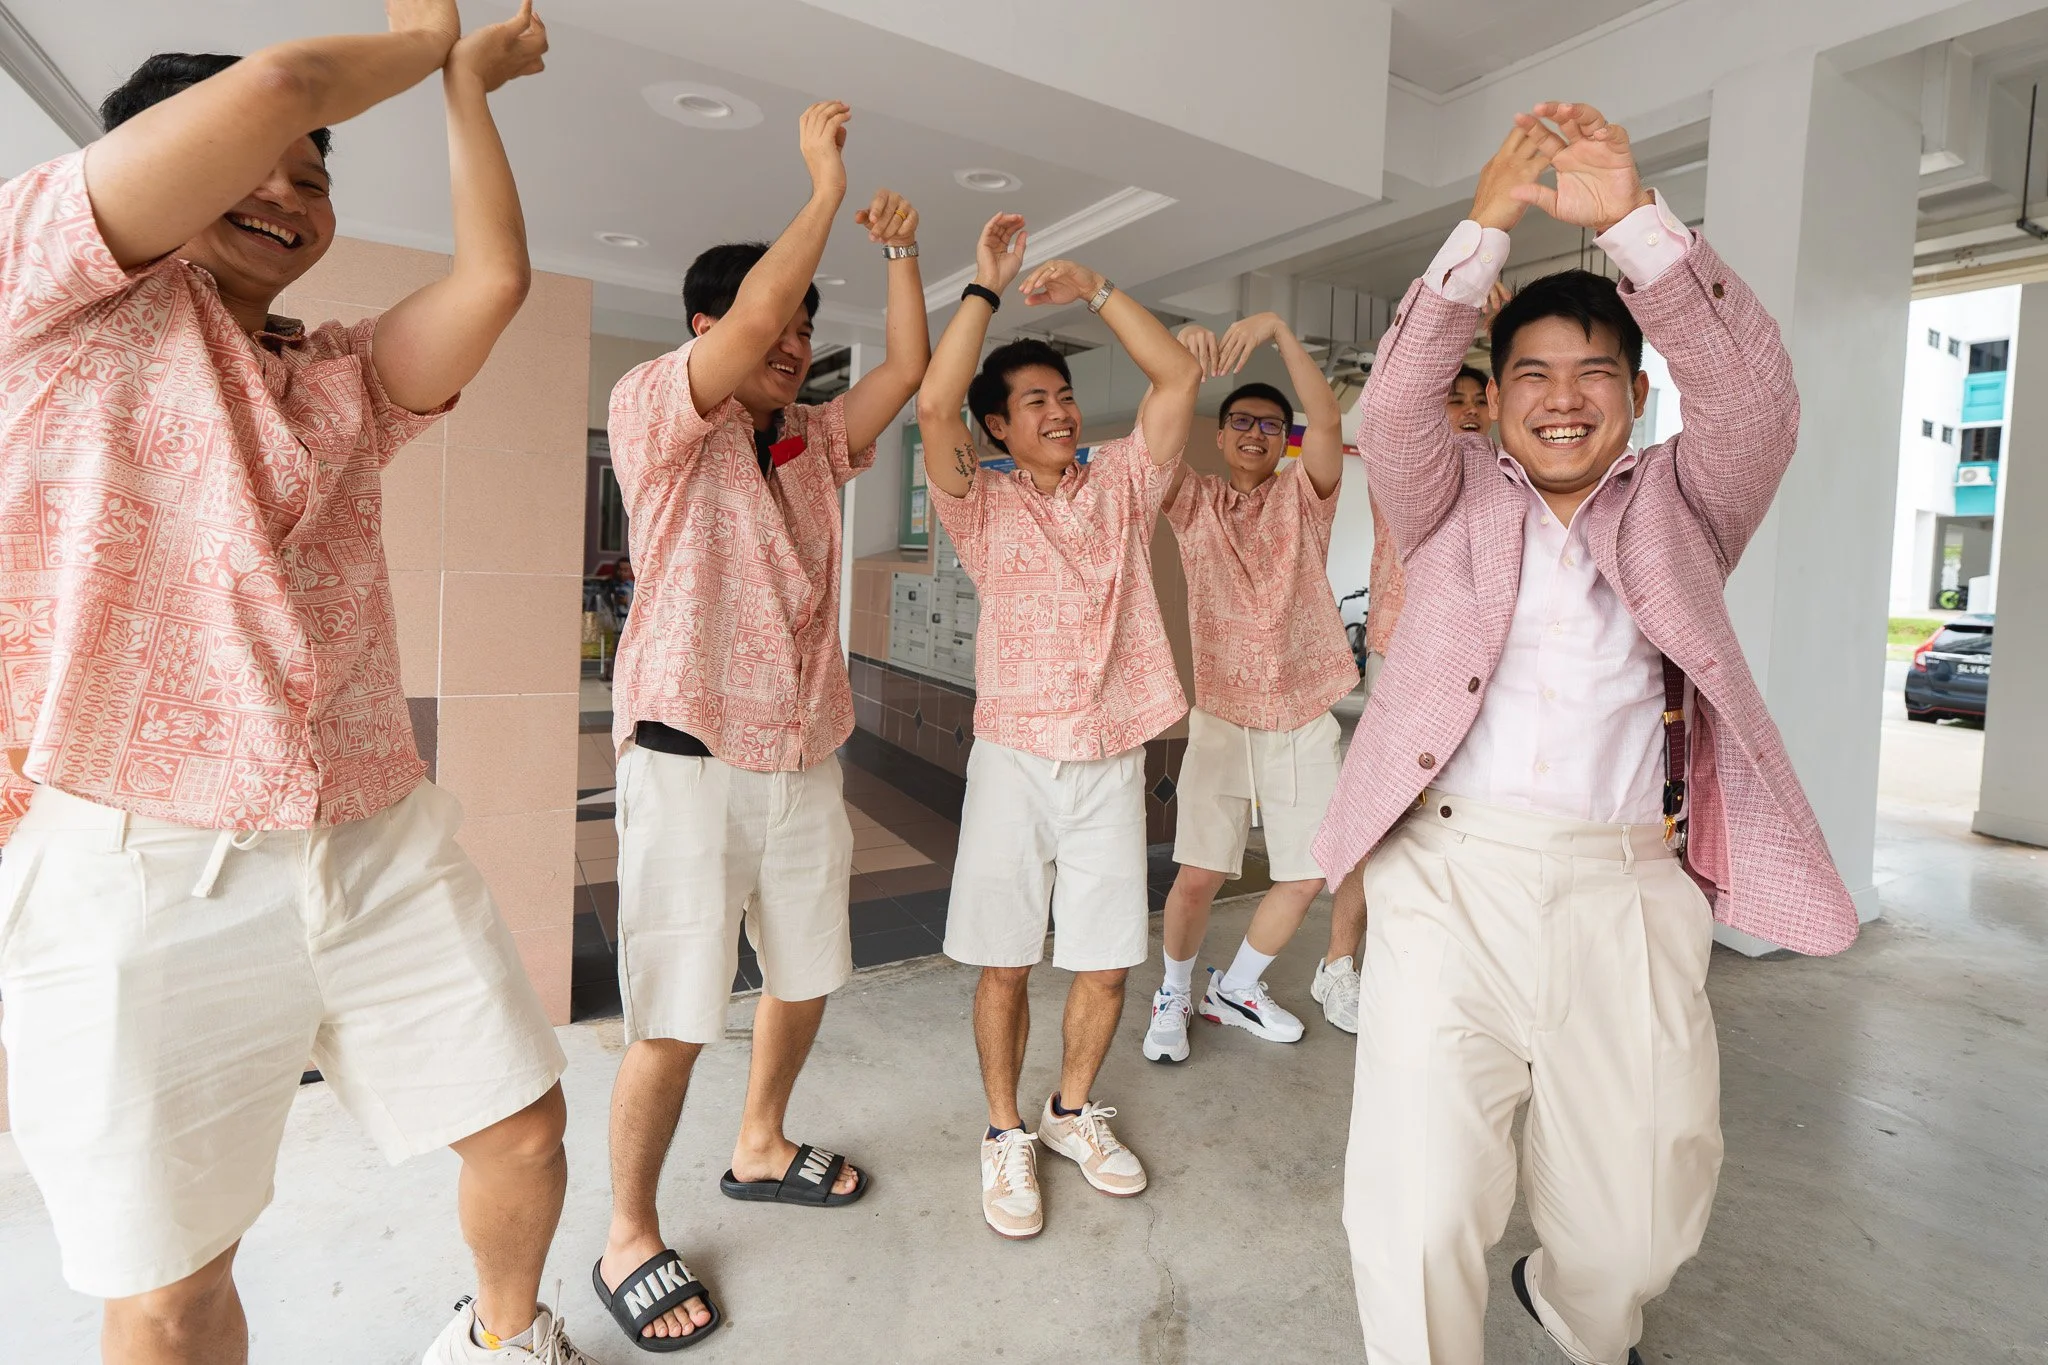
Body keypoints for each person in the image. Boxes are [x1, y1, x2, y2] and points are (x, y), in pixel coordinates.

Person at [0, 7, 589, 1364]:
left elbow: (491, 282)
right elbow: (282, 82)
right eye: (260, 161)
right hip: (140, 859)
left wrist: (467, 92)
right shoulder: (46, 286)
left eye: (316, 176)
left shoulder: (332, 379)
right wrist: (427, 36)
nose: (289, 190)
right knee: (168, 1281)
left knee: (522, 1121)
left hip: (373, 826)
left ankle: (506, 1339)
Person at [1312, 103, 1861, 1365]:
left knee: (1636, 1233)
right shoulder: (1444, 494)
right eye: (1530, 376)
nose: (1561, 401)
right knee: (1418, 1207)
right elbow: (1393, 409)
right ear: (1493, 395)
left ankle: (1565, 1309)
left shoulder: (1684, 501)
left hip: (1625, 890)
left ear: (1634, 391)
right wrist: (1480, 228)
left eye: (1592, 374)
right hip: (1447, 882)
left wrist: (1632, 223)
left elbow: (1754, 403)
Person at [594, 102, 929, 1347]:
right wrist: (823, 188)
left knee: (805, 975)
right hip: (688, 753)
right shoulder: (655, 415)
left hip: (801, 750)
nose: (792, 342)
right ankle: (629, 1232)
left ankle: (758, 1142)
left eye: (803, 328)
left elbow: (899, 374)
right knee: (678, 1009)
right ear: (708, 330)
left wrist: (901, 262)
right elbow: (745, 324)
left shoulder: (804, 448)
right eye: (774, 323)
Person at [915, 213, 1201, 1239]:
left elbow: (1173, 383)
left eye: (1064, 395)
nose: (1059, 410)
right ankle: (1004, 1135)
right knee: (1004, 959)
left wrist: (1098, 286)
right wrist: (984, 289)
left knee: (1104, 957)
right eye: (1034, 400)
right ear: (998, 427)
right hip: (1013, 758)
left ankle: (1070, 1112)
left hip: (1111, 753)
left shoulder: (1123, 482)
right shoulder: (977, 504)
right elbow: (933, 398)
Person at [1137, 315, 1352, 1064]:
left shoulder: (1306, 498)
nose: (1255, 432)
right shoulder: (1192, 502)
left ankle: (1239, 985)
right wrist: (1184, 367)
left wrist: (1281, 332)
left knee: (1309, 870)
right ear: (1222, 437)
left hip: (1302, 709)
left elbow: (1325, 418)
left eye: (1269, 423)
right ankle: (1174, 989)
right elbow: (1153, 436)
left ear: (1282, 440)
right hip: (1224, 713)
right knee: (1197, 873)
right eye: (1241, 422)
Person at [1307, 360, 1490, 1035]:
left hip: (1476, 664)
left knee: (1461, 819)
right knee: (1378, 815)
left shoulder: (1499, 476)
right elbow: (1390, 412)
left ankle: (1436, 965)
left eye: (1479, 400)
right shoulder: (1404, 466)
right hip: (1405, 654)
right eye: (1454, 400)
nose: (1469, 411)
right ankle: (1337, 965)